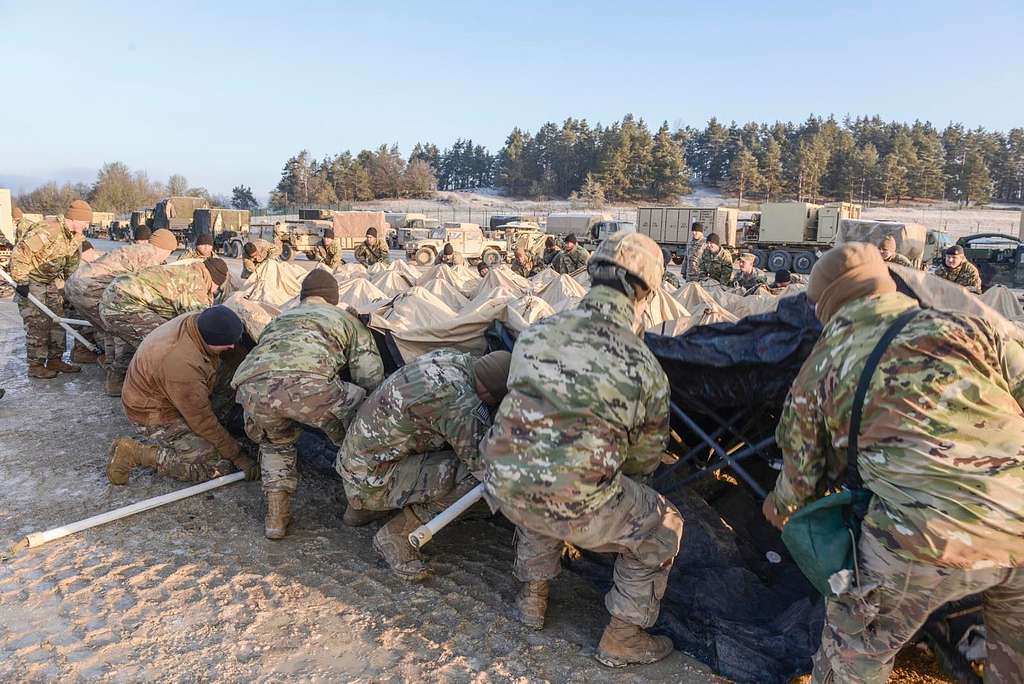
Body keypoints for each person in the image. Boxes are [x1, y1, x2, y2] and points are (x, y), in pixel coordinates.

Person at [761, 243, 1024, 683]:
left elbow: (803, 473)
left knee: (856, 646)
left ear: (825, 304)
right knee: (1015, 652)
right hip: (1020, 521)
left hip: (921, 536)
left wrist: (779, 508)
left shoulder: (825, 361)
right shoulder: (969, 326)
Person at [480, 231, 684, 667]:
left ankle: (532, 597)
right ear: (646, 291)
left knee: (545, 473)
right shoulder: (643, 365)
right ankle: (623, 635)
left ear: (592, 276)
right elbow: (644, 461)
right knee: (664, 523)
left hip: (501, 484)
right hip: (557, 496)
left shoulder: (536, 334)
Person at [232, 270, 384, 540]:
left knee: (275, 444)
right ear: (334, 298)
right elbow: (369, 376)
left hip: (253, 388)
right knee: (362, 429)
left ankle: (276, 519)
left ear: (303, 296)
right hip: (310, 388)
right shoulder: (346, 319)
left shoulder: (279, 319)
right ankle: (359, 504)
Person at [338, 350, 512, 580]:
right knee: (474, 481)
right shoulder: (461, 402)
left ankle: (361, 510)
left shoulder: (451, 358)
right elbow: (481, 465)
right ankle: (397, 535)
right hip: (372, 479)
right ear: (489, 394)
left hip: (355, 465)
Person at [106, 305, 258, 486]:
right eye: (227, 343)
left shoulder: (199, 322)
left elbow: (234, 354)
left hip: (173, 392)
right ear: (211, 341)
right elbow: (203, 421)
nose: (232, 346)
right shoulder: (181, 365)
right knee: (216, 466)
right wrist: (237, 455)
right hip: (154, 412)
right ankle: (135, 453)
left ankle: (218, 437)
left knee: (230, 379)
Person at [99, 257, 229, 396]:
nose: (214, 292)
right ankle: (158, 392)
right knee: (166, 343)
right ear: (215, 280)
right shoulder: (196, 283)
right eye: (217, 288)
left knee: (134, 338)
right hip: (125, 305)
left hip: (111, 299)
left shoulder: (186, 270)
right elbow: (198, 325)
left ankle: (117, 381)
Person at [65, 229, 178, 374]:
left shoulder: (136, 249)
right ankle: (118, 374)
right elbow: (146, 289)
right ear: (166, 248)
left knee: (108, 327)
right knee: (121, 326)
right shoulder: (150, 256)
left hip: (76, 285)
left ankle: (109, 364)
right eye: (169, 252)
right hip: (91, 288)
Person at [10, 199, 90, 379]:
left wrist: (71, 287)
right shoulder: (49, 229)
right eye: (86, 222)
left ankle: (55, 359)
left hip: (52, 282)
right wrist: (21, 281)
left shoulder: (74, 236)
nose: (87, 225)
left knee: (57, 321)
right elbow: (20, 254)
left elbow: (71, 266)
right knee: (37, 325)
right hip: (32, 281)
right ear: (75, 219)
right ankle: (36, 365)